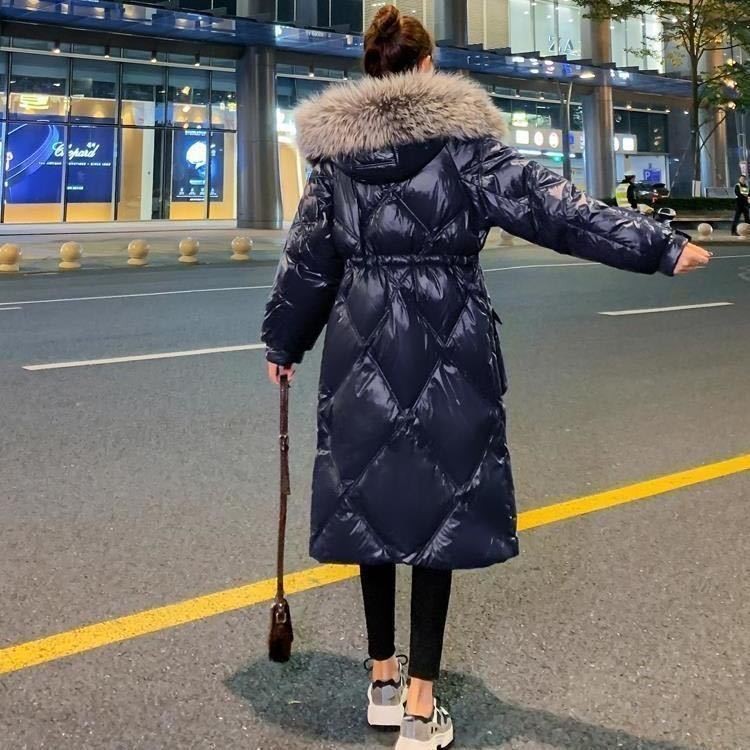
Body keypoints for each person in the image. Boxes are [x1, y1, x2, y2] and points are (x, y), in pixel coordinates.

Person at [261, 6, 711, 749]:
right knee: (436, 513)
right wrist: (657, 246)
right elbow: (555, 209)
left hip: (359, 344)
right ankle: (420, 707)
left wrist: (283, 342)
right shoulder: (466, 148)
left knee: (372, 508)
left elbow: (308, 262)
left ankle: (382, 680)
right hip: (448, 344)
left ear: (372, 72)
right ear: (426, 67)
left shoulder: (334, 161)